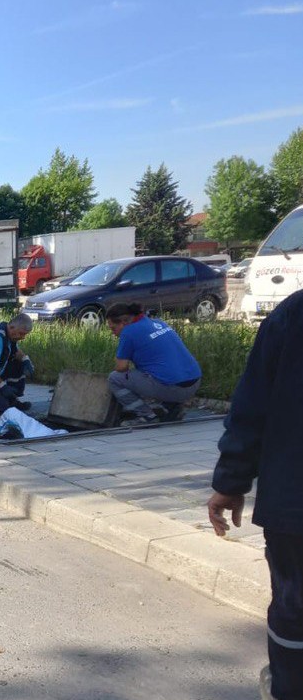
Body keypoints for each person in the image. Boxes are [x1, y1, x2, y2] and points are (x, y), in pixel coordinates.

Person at [207, 290, 303, 700]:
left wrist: (230, 482)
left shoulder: (294, 315)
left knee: (294, 611)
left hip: (294, 502)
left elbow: (251, 408)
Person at [104, 302, 201, 426]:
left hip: (174, 388)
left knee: (114, 378)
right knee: (154, 372)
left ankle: (146, 416)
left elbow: (121, 367)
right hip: (194, 382)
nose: (113, 333)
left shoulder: (128, 332)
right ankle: (172, 408)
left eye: (113, 328)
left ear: (123, 323)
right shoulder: (158, 322)